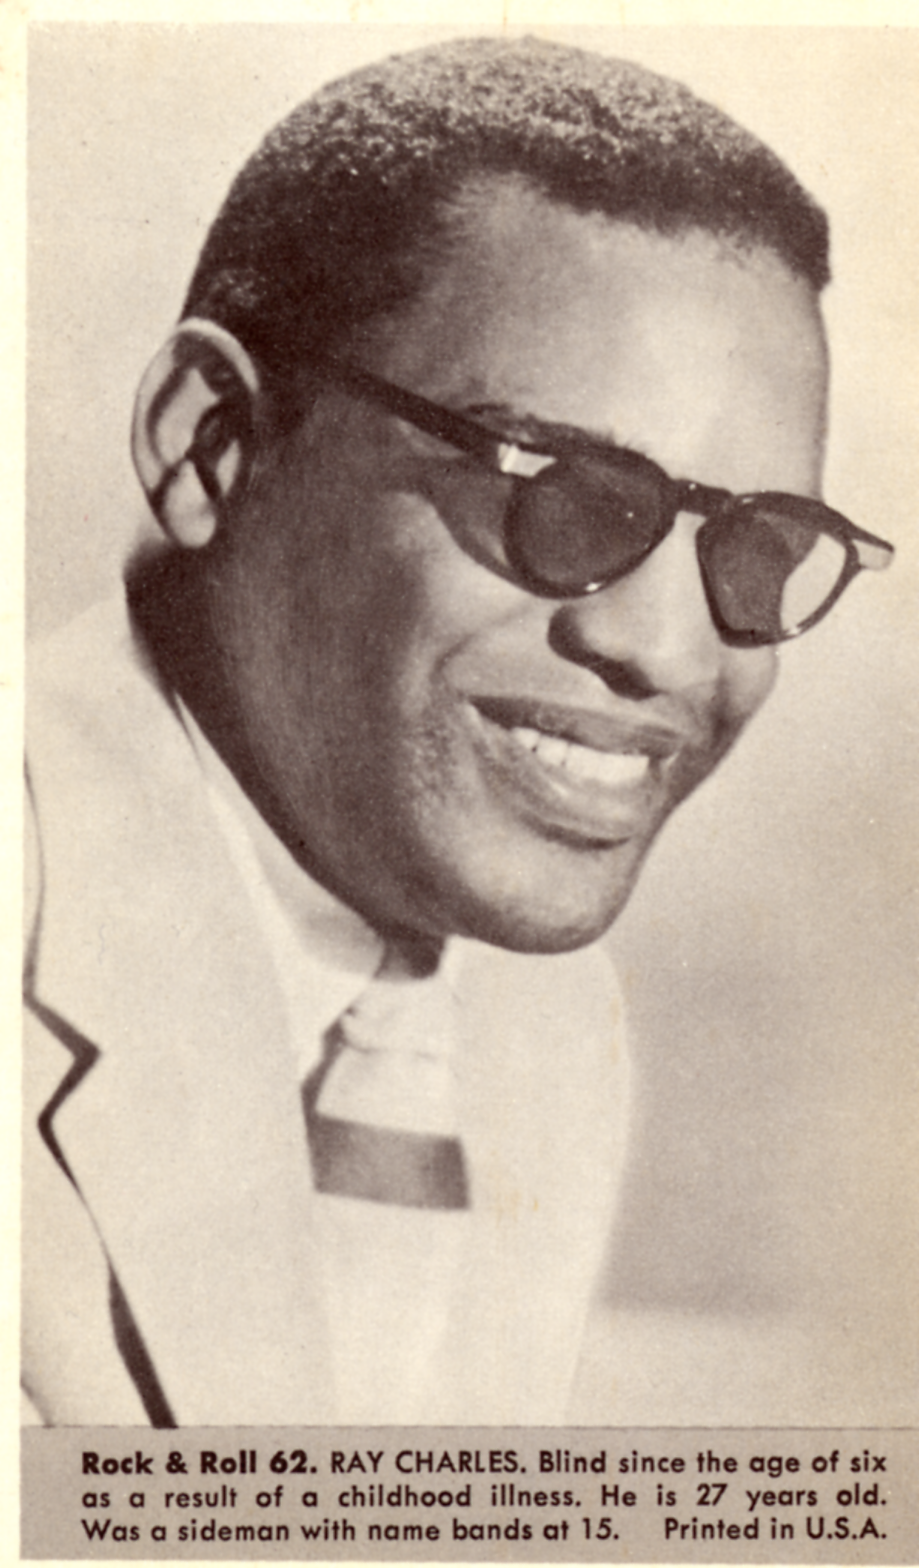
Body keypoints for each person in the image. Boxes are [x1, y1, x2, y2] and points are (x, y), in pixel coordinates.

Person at [22, 34, 894, 1428]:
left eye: (760, 545)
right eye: (564, 494)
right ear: (211, 443)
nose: (670, 652)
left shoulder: (537, 1023)